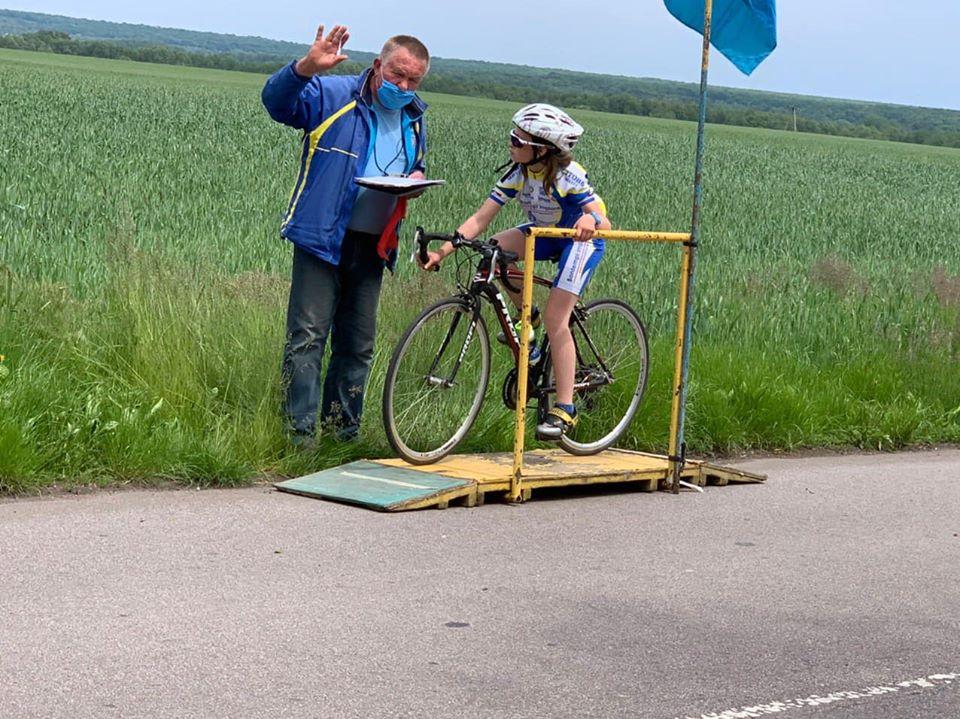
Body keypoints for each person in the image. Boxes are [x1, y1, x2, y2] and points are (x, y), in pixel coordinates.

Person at [261, 24, 430, 443]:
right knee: (307, 339)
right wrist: (305, 68)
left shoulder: (414, 118)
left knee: (357, 346)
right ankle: (299, 438)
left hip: (373, 246)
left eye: (413, 80)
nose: (403, 86)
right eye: (397, 75)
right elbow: (277, 104)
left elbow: (414, 161)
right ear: (377, 66)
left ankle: (342, 436)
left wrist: (417, 176)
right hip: (323, 238)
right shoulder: (332, 95)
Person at [420, 103, 611, 440]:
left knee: (558, 320)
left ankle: (565, 409)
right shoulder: (518, 173)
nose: (511, 144)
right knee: (494, 249)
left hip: (578, 242)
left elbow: (602, 218)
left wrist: (589, 219)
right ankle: (530, 321)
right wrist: (444, 251)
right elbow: (481, 219)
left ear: (543, 150)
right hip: (543, 234)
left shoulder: (569, 176)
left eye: (518, 140)